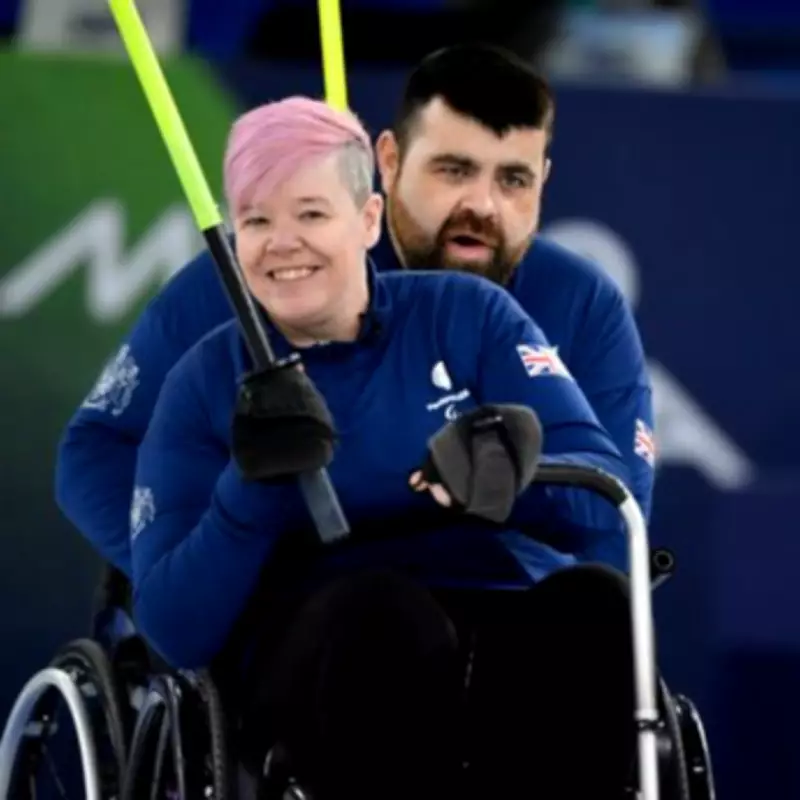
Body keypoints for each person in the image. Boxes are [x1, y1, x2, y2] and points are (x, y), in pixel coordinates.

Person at [131, 95, 636, 800]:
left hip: (491, 616)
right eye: (256, 220)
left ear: (368, 219)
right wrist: (247, 498)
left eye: (311, 214)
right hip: (326, 648)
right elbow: (173, 627)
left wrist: (514, 465)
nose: (282, 242)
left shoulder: (468, 315)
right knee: (383, 613)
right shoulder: (202, 384)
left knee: (594, 602)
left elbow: (608, 498)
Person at [55, 44, 652, 578]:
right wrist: (204, 585)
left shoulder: (582, 303)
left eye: (514, 180)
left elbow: (614, 517)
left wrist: (511, 483)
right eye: (454, 170)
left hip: (494, 619)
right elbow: (97, 451)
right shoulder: (262, 275)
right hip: (302, 616)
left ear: (544, 180)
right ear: (387, 162)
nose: (483, 205)